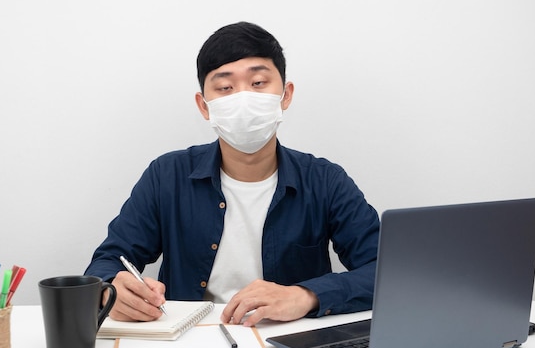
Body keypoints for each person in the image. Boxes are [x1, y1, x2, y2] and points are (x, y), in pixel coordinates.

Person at [84, 22, 380, 327]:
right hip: (188, 342)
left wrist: (306, 295)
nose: (243, 99)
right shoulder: (167, 176)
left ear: (286, 95)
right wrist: (109, 290)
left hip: (290, 344)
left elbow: (386, 271)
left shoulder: (325, 181)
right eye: (225, 88)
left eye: (259, 82)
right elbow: (106, 262)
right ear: (204, 106)